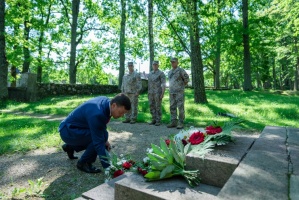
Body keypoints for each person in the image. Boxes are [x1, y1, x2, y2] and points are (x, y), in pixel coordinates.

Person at [59, 93, 131, 173]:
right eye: (121, 112)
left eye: (123, 114)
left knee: (103, 136)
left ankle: (71, 147)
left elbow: (100, 125)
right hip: (68, 131)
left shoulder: (106, 102)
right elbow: (98, 142)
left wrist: (105, 141)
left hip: (75, 128)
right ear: (114, 105)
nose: (121, 116)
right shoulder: (97, 113)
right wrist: (109, 167)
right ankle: (84, 163)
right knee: (97, 140)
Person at [167, 57, 189, 129]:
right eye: (171, 62)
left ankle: (181, 122)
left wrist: (181, 87)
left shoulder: (180, 70)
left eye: (174, 62)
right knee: (172, 107)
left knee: (180, 107)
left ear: (177, 62)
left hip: (179, 92)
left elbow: (186, 79)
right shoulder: (170, 72)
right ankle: (173, 121)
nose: (172, 63)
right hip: (171, 92)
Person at [147, 60, 166, 126]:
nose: (155, 66)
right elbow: (148, 84)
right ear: (152, 65)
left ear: (158, 65)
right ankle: (153, 119)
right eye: (153, 64)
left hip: (157, 93)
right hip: (150, 93)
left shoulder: (161, 73)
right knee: (151, 106)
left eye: (156, 64)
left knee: (157, 107)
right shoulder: (150, 74)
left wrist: (162, 93)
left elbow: (163, 84)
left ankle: (158, 120)